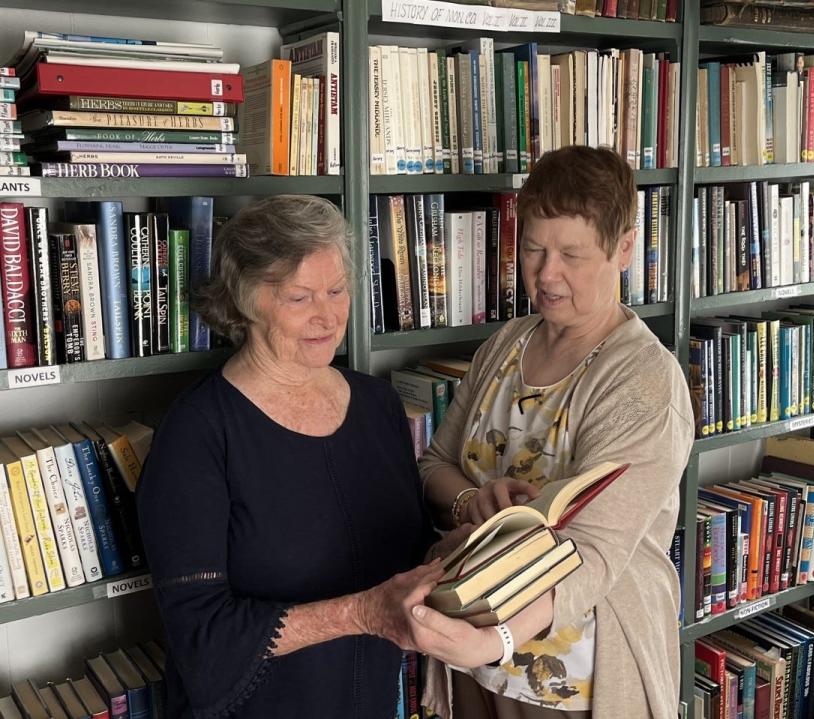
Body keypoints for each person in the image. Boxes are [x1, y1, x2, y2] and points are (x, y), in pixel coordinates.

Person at [136, 195, 455, 718]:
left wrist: (477, 536)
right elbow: (204, 637)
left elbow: (408, 553)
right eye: (299, 297)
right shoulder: (196, 433)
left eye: (336, 291)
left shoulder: (377, 403)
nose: (327, 316)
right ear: (245, 301)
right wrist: (362, 614)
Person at [411, 146, 695, 718]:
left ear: (624, 249)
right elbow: (433, 465)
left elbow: (592, 553)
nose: (545, 274)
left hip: (575, 677)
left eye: (571, 254)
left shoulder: (645, 380)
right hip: (475, 648)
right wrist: (472, 499)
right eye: (534, 249)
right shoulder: (505, 345)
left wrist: (496, 641)